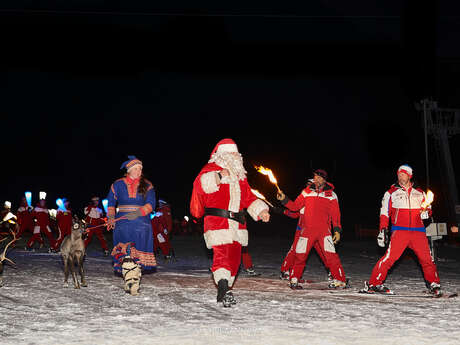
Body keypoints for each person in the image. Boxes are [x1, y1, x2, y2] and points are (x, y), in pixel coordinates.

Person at [191, 138, 270, 307]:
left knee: (234, 260)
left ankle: (224, 287)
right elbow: (200, 187)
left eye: (236, 152)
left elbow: (249, 197)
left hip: (238, 224)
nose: (235, 155)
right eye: (231, 152)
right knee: (222, 255)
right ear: (222, 154)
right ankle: (224, 288)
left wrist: (261, 210)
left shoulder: (240, 177)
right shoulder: (211, 169)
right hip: (217, 221)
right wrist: (218, 177)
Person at [362, 165, 442, 296]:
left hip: (418, 232)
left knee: (427, 259)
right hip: (400, 231)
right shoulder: (391, 192)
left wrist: (426, 213)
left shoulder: (420, 193)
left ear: (409, 176)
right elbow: (384, 212)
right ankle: (374, 284)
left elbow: (428, 208)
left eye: (403, 174)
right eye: (399, 174)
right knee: (390, 258)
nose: (400, 176)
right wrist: (383, 229)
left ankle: (434, 284)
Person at [277, 169, 347, 289]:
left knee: (331, 256)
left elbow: (336, 215)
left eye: (319, 178)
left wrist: (337, 230)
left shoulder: (332, 195)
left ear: (324, 180)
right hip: (307, 230)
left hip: (324, 231)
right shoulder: (306, 191)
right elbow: (295, 207)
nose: (316, 180)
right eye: (315, 177)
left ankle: (340, 280)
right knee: (300, 254)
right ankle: (294, 279)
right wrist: (284, 199)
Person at [107, 156, 156, 296]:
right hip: (122, 223)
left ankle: (133, 281)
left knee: (137, 255)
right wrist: (111, 218)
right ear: (129, 170)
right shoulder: (117, 184)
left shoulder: (147, 185)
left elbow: (151, 204)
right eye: (136, 168)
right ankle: (131, 281)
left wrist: (138, 212)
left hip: (141, 224)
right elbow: (111, 203)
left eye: (141, 168)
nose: (139, 171)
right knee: (126, 254)